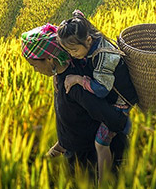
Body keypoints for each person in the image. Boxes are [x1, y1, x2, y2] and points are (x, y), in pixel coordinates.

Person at [21, 24, 130, 178]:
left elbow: (113, 120)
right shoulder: (60, 77)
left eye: (34, 65)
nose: (35, 70)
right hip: (74, 156)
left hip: (88, 165)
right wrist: (60, 146)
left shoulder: (73, 86)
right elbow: (75, 119)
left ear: (50, 59)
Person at [56, 10, 139, 183]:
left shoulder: (104, 57)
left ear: (88, 40)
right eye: (68, 51)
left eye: (74, 49)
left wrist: (79, 79)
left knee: (100, 143)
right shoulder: (89, 39)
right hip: (110, 93)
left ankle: (103, 181)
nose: (72, 54)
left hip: (120, 102)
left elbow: (101, 90)